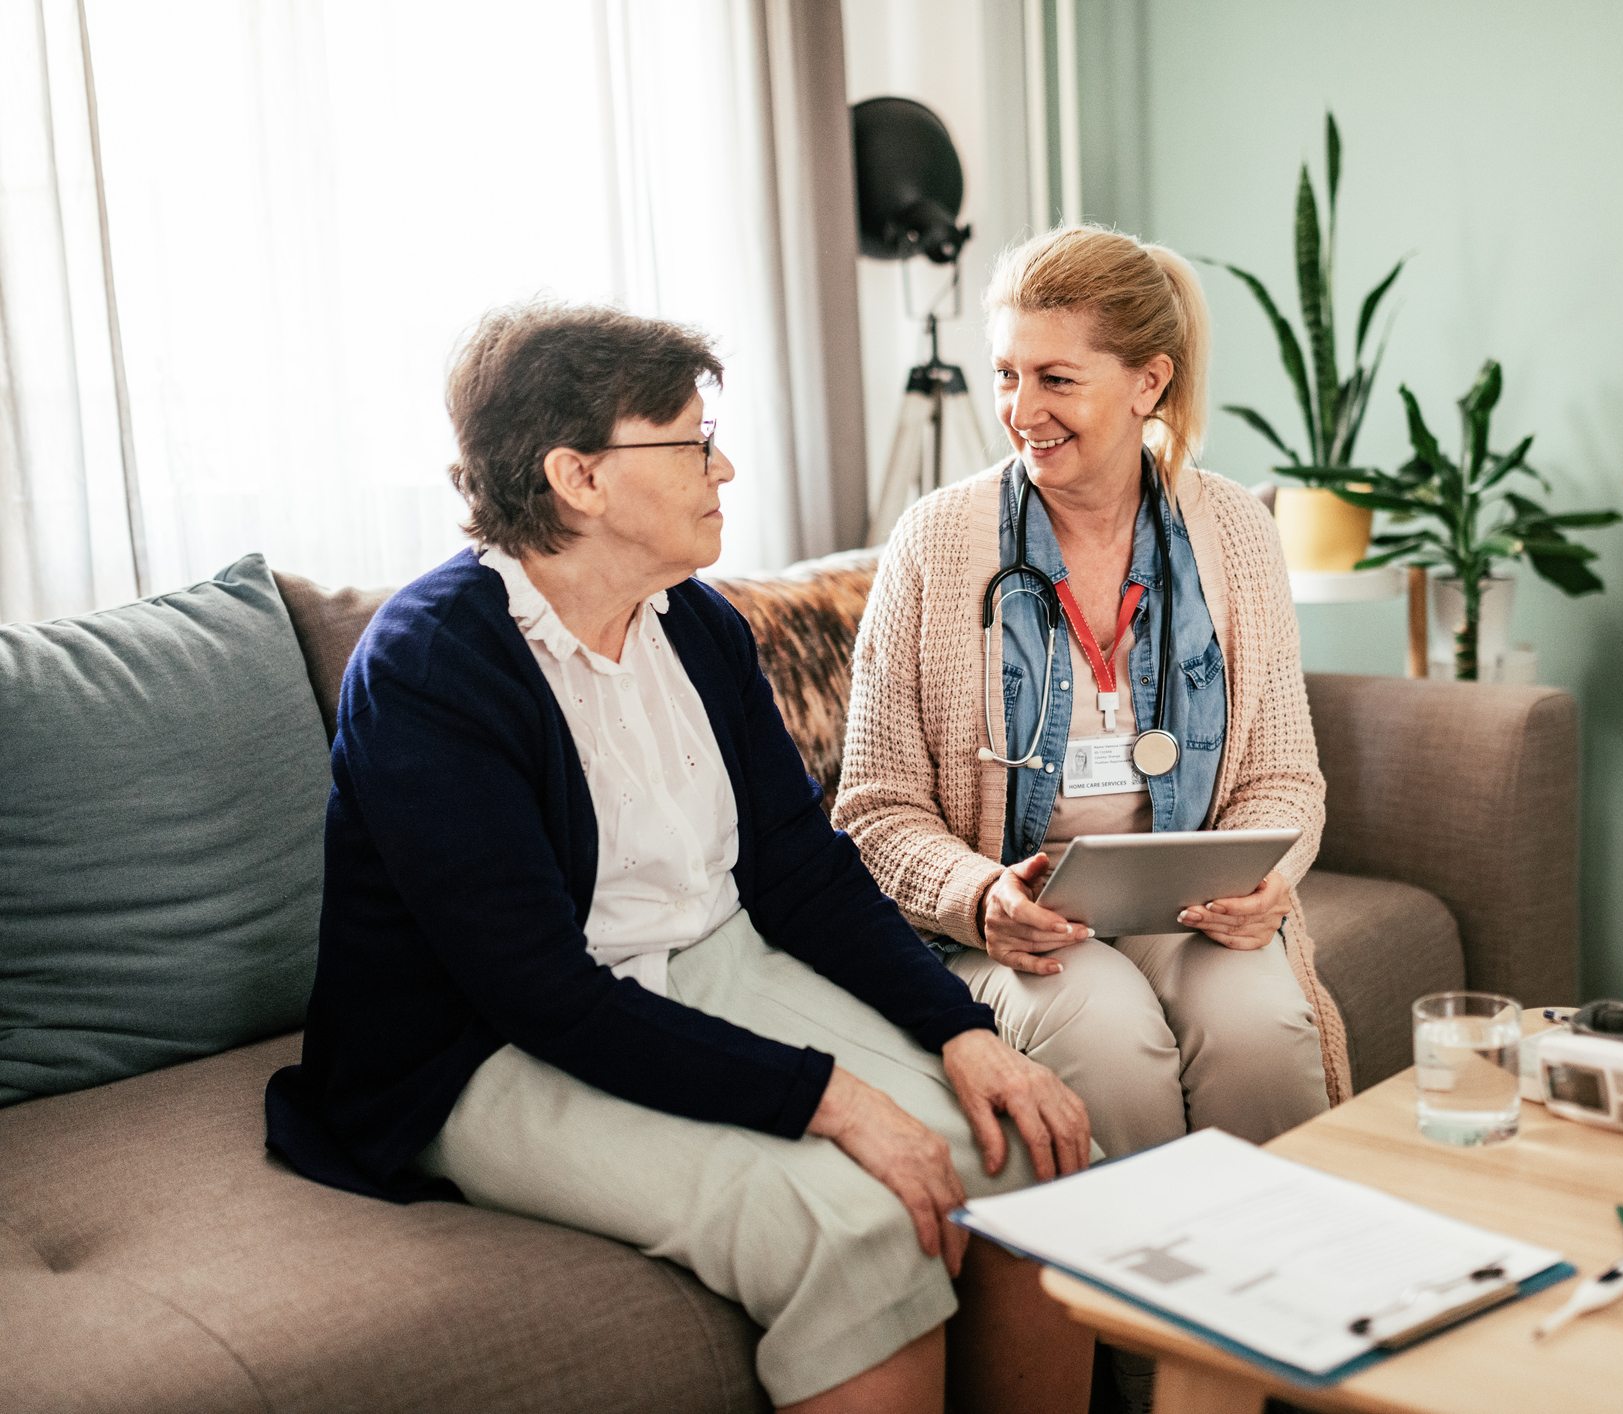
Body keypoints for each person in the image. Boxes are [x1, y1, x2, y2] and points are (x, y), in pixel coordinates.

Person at [264, 302, 1094, 1414]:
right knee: (852, 1231)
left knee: (1028, 1152)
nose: (726, 464)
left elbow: (798, 862)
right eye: (692, 442)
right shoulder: (431, 667)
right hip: (483, 1046)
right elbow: (544, 993)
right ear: (579, 478)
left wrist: (961, 1031)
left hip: (709, 960)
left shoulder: (693, 623)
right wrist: (832, 1100)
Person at [833, 226, 1351, 1169]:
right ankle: (1130, 1303)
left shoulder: (1232, 529)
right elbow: (874, 807)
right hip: (1011, 928)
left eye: (1055, 379)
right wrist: (978, 892)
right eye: (1005, 375)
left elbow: (1282, 773)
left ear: (1146, 384)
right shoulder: (938, 541)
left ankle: (1277, 1282)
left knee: (1264, 1023)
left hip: (1180, 908)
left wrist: (1269, 883)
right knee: (1106, 1035)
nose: (1019, 408)